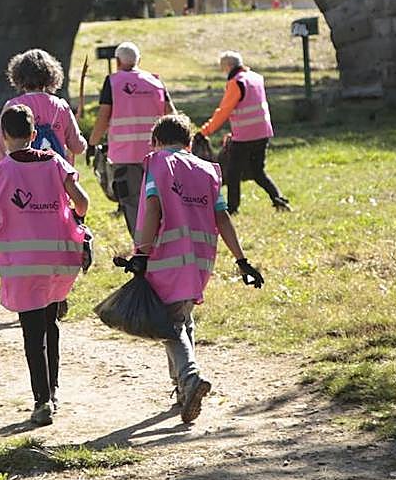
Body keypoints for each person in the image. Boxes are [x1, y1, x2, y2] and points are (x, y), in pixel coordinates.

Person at [0, 104, 91, 427]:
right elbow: (82, 202)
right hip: (58, 260)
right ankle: (53, 392)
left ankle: (42, 402)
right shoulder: (55, 163)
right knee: (51, 325)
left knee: (32, 332)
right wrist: (75, 220)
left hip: (22, 266)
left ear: (4, 136)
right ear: (34, 134)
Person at [127, 113, 265, 424]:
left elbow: (153, 207)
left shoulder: (158, 162)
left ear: (156, 142)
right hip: (201, 260)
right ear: (189, 143)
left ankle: (189, 380)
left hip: (165, 257)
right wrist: (242, 260)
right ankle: (181, 389)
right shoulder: (207, 170)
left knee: (170, 324)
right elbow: (222, 217)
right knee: (182, 318)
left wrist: (141, 253)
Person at [87, 41, 174, 239]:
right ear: (139, 60)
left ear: (117, 61)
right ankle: (163, 242)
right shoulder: (155, 81)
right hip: (157, 154)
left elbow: (103, 117)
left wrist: (92, 143)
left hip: (125, 156)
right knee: (159, 199)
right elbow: (171, 114)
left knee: (132, 202)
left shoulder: (113, 82)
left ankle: (142, 248)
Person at [197, 50, 290, 214]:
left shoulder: (236, 82)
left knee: (233, 173)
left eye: (222, 67)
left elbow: (224, 111)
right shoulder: (256, 78)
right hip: (263, 132)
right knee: (258, 171)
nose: (222, 71)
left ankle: (232, 209)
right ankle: (278, 199)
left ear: (227, 66)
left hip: (245, 136)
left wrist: (205, 131)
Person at [0, 48, 86, 169]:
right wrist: (81, 139)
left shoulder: (13, 106)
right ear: (51, 75)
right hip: (56, 178)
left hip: (23, 179)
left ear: (18, 75)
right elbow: (77, 147)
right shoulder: (61, 106)